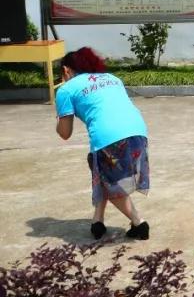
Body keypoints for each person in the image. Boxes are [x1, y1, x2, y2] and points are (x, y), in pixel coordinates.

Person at [55, 47, 151, 241]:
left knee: (111, 183)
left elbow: (65, 133)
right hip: (138, 132)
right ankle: (97, 221)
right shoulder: (113, 79)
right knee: (99, 169)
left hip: (109, 137)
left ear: (66, 70)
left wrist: (58, 117)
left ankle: (139, 223)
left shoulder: (66, 89)